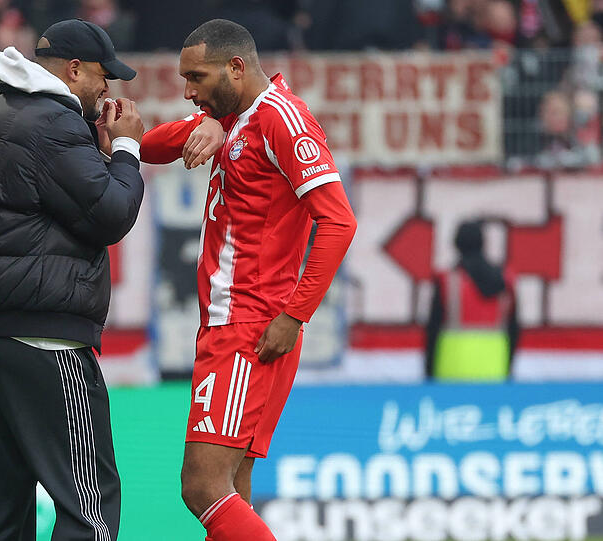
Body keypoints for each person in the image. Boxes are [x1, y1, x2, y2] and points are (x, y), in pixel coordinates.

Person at [140, 19, 357, 541]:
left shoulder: (283, 119)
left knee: (202, 488)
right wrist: (132, 135)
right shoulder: (235, 117)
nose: (188, 91)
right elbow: (152, 145)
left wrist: (295, 313)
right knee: (233, 487)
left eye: (196, 77)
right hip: (237, 325)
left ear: (236, 68)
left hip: (249, 325)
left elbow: (338, 221)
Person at [0, 19, 144, 541]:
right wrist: (125, 150)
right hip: (42, 337)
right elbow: (111, 213)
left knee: (0, 516)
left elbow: (41, 201)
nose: (108, 88)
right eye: (104, 75)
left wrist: (94, 154)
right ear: (74, 69)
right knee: (89, 506)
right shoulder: (53, 121)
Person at [425, 220, 519, 380]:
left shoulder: (448, 281)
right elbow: (514, 329)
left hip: (453, 369)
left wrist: (428, 371)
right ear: (483, 244)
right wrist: (509, 368)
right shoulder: (505, 280)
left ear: (456, 244)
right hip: (495, 368)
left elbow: (432, 329)